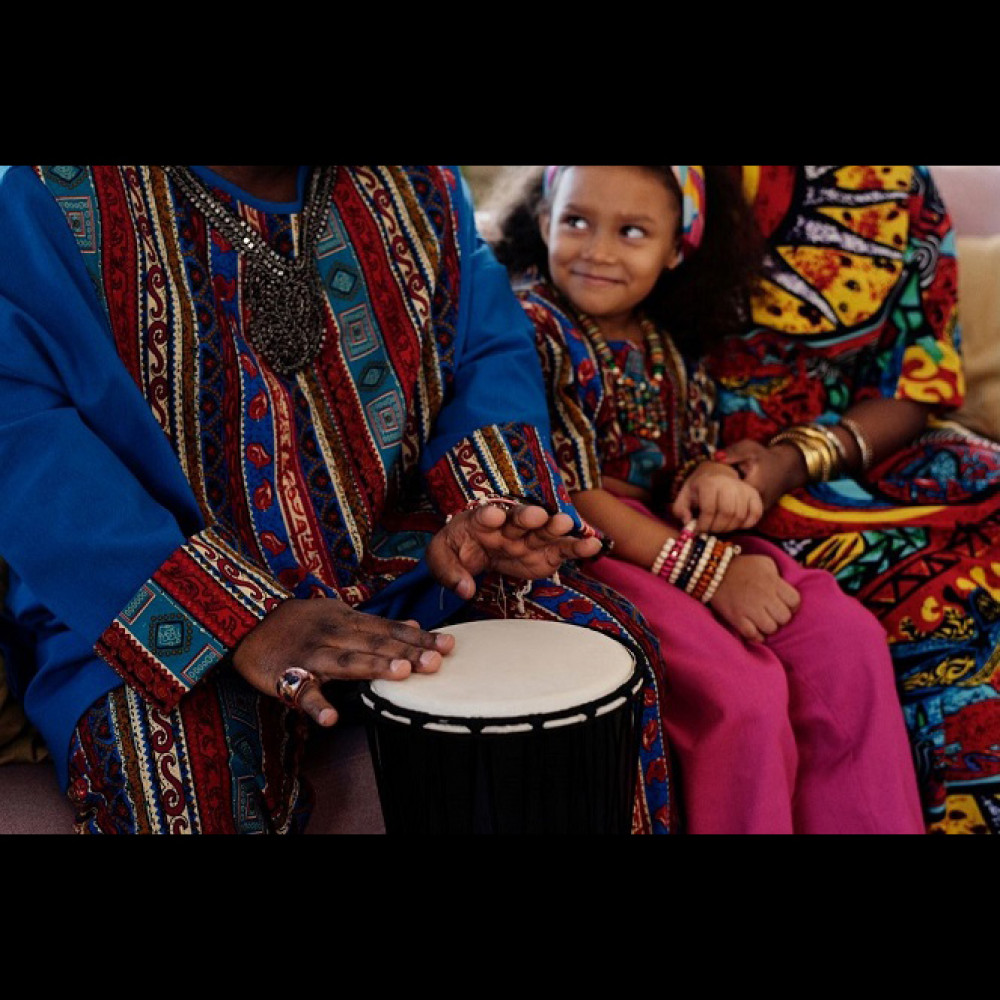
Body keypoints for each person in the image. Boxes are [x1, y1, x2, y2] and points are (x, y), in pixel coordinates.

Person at [0, 164, 675, 834]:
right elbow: (21, 429)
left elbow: (486, 352)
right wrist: (235, 619)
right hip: (149, 586)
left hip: (393, 560)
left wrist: (486, 512)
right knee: (183, 777)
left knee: (599, 650)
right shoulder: (53, 195)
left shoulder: (420, 186)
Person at [490, 163, 925, 834]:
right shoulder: (534, 327)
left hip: (666, 532)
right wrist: (713, 573)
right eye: (577, 221)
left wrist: (712, 478)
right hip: (585, 543)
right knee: (740, 694)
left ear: (675, 248)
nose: (599, 250)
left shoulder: (668, 346)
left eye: (632, 231)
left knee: (847, 642)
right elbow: (567, 492)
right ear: (545, 222)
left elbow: (681, 462)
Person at [704, 165, 1000, 834]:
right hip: (706, 488)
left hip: (849, 453)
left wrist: (797, 456)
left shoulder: (897, 185)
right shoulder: (656, 180)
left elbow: (918, 383)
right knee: (954, 612)